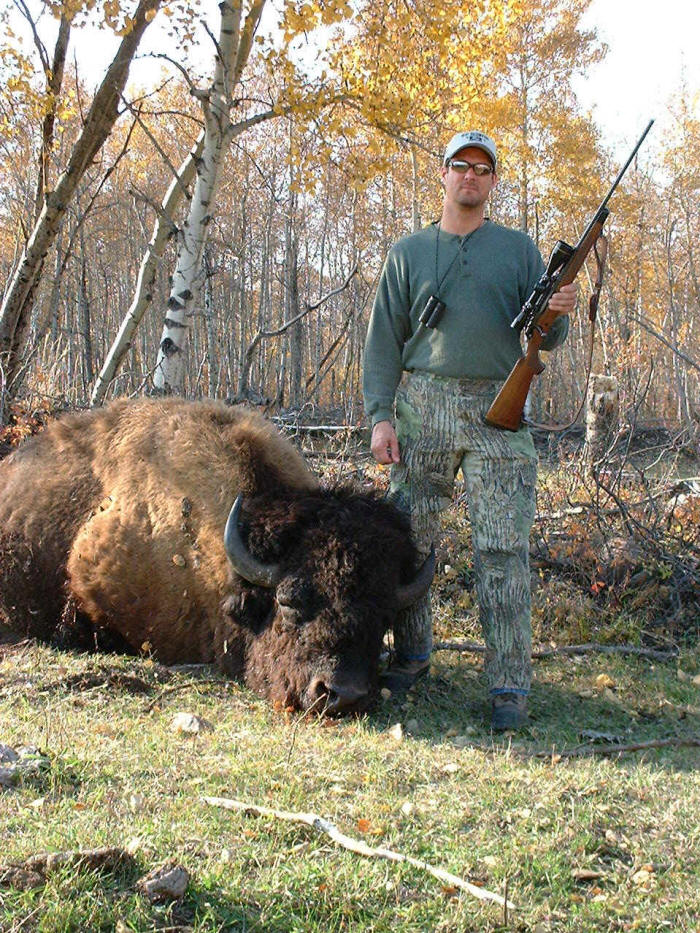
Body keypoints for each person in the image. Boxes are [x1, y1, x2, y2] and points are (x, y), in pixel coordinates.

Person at [363, 130, 578, 730]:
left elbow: (546, 339)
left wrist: (558, 312)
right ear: (444, 173)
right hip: (422, 408)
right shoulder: (408, 253)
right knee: (410, 540)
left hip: (498, 411)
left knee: (503, 549)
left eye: (482, 169)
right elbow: (382, 343)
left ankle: (509, 685)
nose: (470, 176)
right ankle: (411, 657)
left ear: (492, 181)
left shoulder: (518, 250)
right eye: (461, 165)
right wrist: (380, 417)